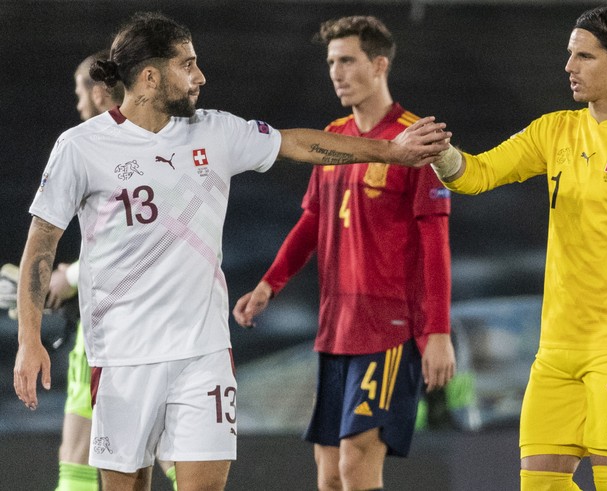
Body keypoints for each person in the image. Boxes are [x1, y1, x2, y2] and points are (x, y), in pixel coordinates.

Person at [13, 11, 448, 491]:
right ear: (151, 76)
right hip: (123, 356)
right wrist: (28, 340)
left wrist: (392, 151)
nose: (200, 77)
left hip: (204, 353)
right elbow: (41, 244)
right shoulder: (80, 147)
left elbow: (298, 144)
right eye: (188, 64)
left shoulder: (215, 131)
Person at [428, 5, 607, 490]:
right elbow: (477, 173)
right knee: (540, 485)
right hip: (556, 346)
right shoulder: (555, 131)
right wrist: (439, 154)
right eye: (570, 55)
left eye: (585, 56)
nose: (569, 67)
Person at [232, 16, 455, 490]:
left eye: (347, 60)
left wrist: (438, 333)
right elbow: (314, 219)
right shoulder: (333, 138)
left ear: (379, 64)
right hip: (336, 330)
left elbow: (436, 245)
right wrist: (269, 283)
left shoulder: (417, 140)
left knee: (357, 464)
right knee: (330, 474)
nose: (336, 72)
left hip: (389, 330)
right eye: (332, 62)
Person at [49, 50, 180, 491]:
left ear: (100, 90)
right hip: (163, 319)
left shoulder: (91, 147)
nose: (78, 103)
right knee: (161, 442)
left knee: (81, 446)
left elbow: (129, 248)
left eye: (79, 91)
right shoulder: (163, 146)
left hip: (113, 325)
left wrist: (66, 278)